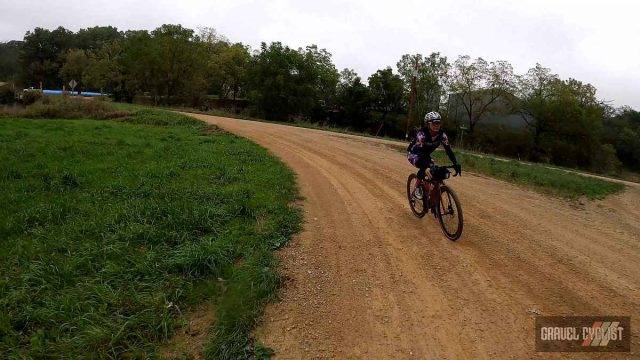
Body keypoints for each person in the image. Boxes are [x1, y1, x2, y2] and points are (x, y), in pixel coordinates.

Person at [407, 111, 461, 200]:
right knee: (424, 168)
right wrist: (425, 167)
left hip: (425, 154)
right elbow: (420, 153)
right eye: (434, 123)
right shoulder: (422, 135)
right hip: (414, 154)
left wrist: (455, 163)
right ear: (428, 124)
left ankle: (431, 193)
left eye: (439, 123)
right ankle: (417, 188)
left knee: (435, 171)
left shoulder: (442, 135)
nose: (437, 125)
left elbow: (448, 150)